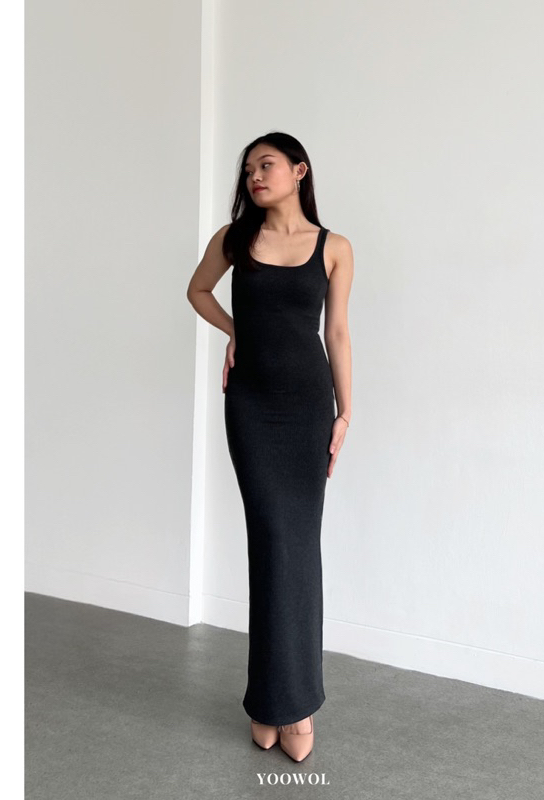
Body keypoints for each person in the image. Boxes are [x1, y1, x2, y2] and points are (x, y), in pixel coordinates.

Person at [187, 132, 353, 762]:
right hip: (252, 408)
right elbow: (198, 290)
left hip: (308, 408)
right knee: (271, 544)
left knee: (298, 548)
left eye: (267, 165)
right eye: (248, 169)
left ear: (299, 170)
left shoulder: (334, 247)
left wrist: (346, 412)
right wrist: (238, 330)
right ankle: (271, 702)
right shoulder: (235, 239)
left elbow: (337, 333)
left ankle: (293, 704)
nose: (255, 176)